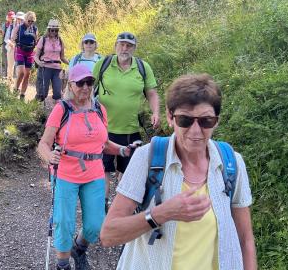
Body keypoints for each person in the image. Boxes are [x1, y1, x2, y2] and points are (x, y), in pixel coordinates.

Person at [100, 74, 257, 270]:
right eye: (185, 120)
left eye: (206, 120)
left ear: (216, 121)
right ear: (169, 117)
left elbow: (245, 239)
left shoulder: (232, 163)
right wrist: (161, 214)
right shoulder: (146, 158)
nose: (195, 131)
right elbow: (109, 234)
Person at [37, 64, 134, 270]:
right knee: (64, 223)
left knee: (96, 225)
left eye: (89, 82)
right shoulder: (61, 109)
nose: (85, 87)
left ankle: (79, 248)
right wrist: (49, 156)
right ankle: (63, 264)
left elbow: (104, 144)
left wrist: (124, 150)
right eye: (80, 82)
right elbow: (43, 144)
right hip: (65, 173)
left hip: (94, 174)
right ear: (71, 85)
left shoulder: (99, 109)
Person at [92, 31, 160, 211]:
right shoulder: (103, 64)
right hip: (103, 129)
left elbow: (152, 93)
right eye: (122, 44)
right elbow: (89, 88)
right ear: (116, 46)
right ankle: (102, 206)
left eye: (129, 45)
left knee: (127, 172)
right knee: (103, 170)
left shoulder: (142, 67)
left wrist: (156, 113)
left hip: (130, 129)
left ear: (134, 48)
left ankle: (120, 208)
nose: (125, 48)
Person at [34, 19, 69, 103]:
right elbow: (36, 56)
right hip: (45, 68)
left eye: (56, 30)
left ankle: (57, 113)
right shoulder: (43, 39)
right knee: (42, 93)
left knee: (58, 93)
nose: (54, 32)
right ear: (48, 30)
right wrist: (39, 63)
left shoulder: (60, 41)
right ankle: (37, 110)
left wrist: (71, 63)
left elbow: (62, 57)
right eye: (52, 30)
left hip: (57, 68)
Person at [11, 11, 38, 100]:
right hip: (20, 51)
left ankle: (22, 94)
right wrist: (13, 40)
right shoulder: (19, 27)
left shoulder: (34, 29)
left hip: (30, 52)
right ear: (25, 19)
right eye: (29, 21)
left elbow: (36, 41)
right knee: (21, 72)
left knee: (27, 74)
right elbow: (13, 38)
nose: (30, 23)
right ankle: (16, 89)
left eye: (32, 21)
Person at [4, 11, 21, 85]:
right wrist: (10, 43)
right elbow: (6, 38)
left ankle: (17, 81)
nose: (12, 19)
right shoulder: (8, 27)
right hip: (11, 47)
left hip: (19, 47)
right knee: (10, 64)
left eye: (13, 18)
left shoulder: (19, 26)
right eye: (11, 18)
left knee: (18, 65)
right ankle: (9, 79)